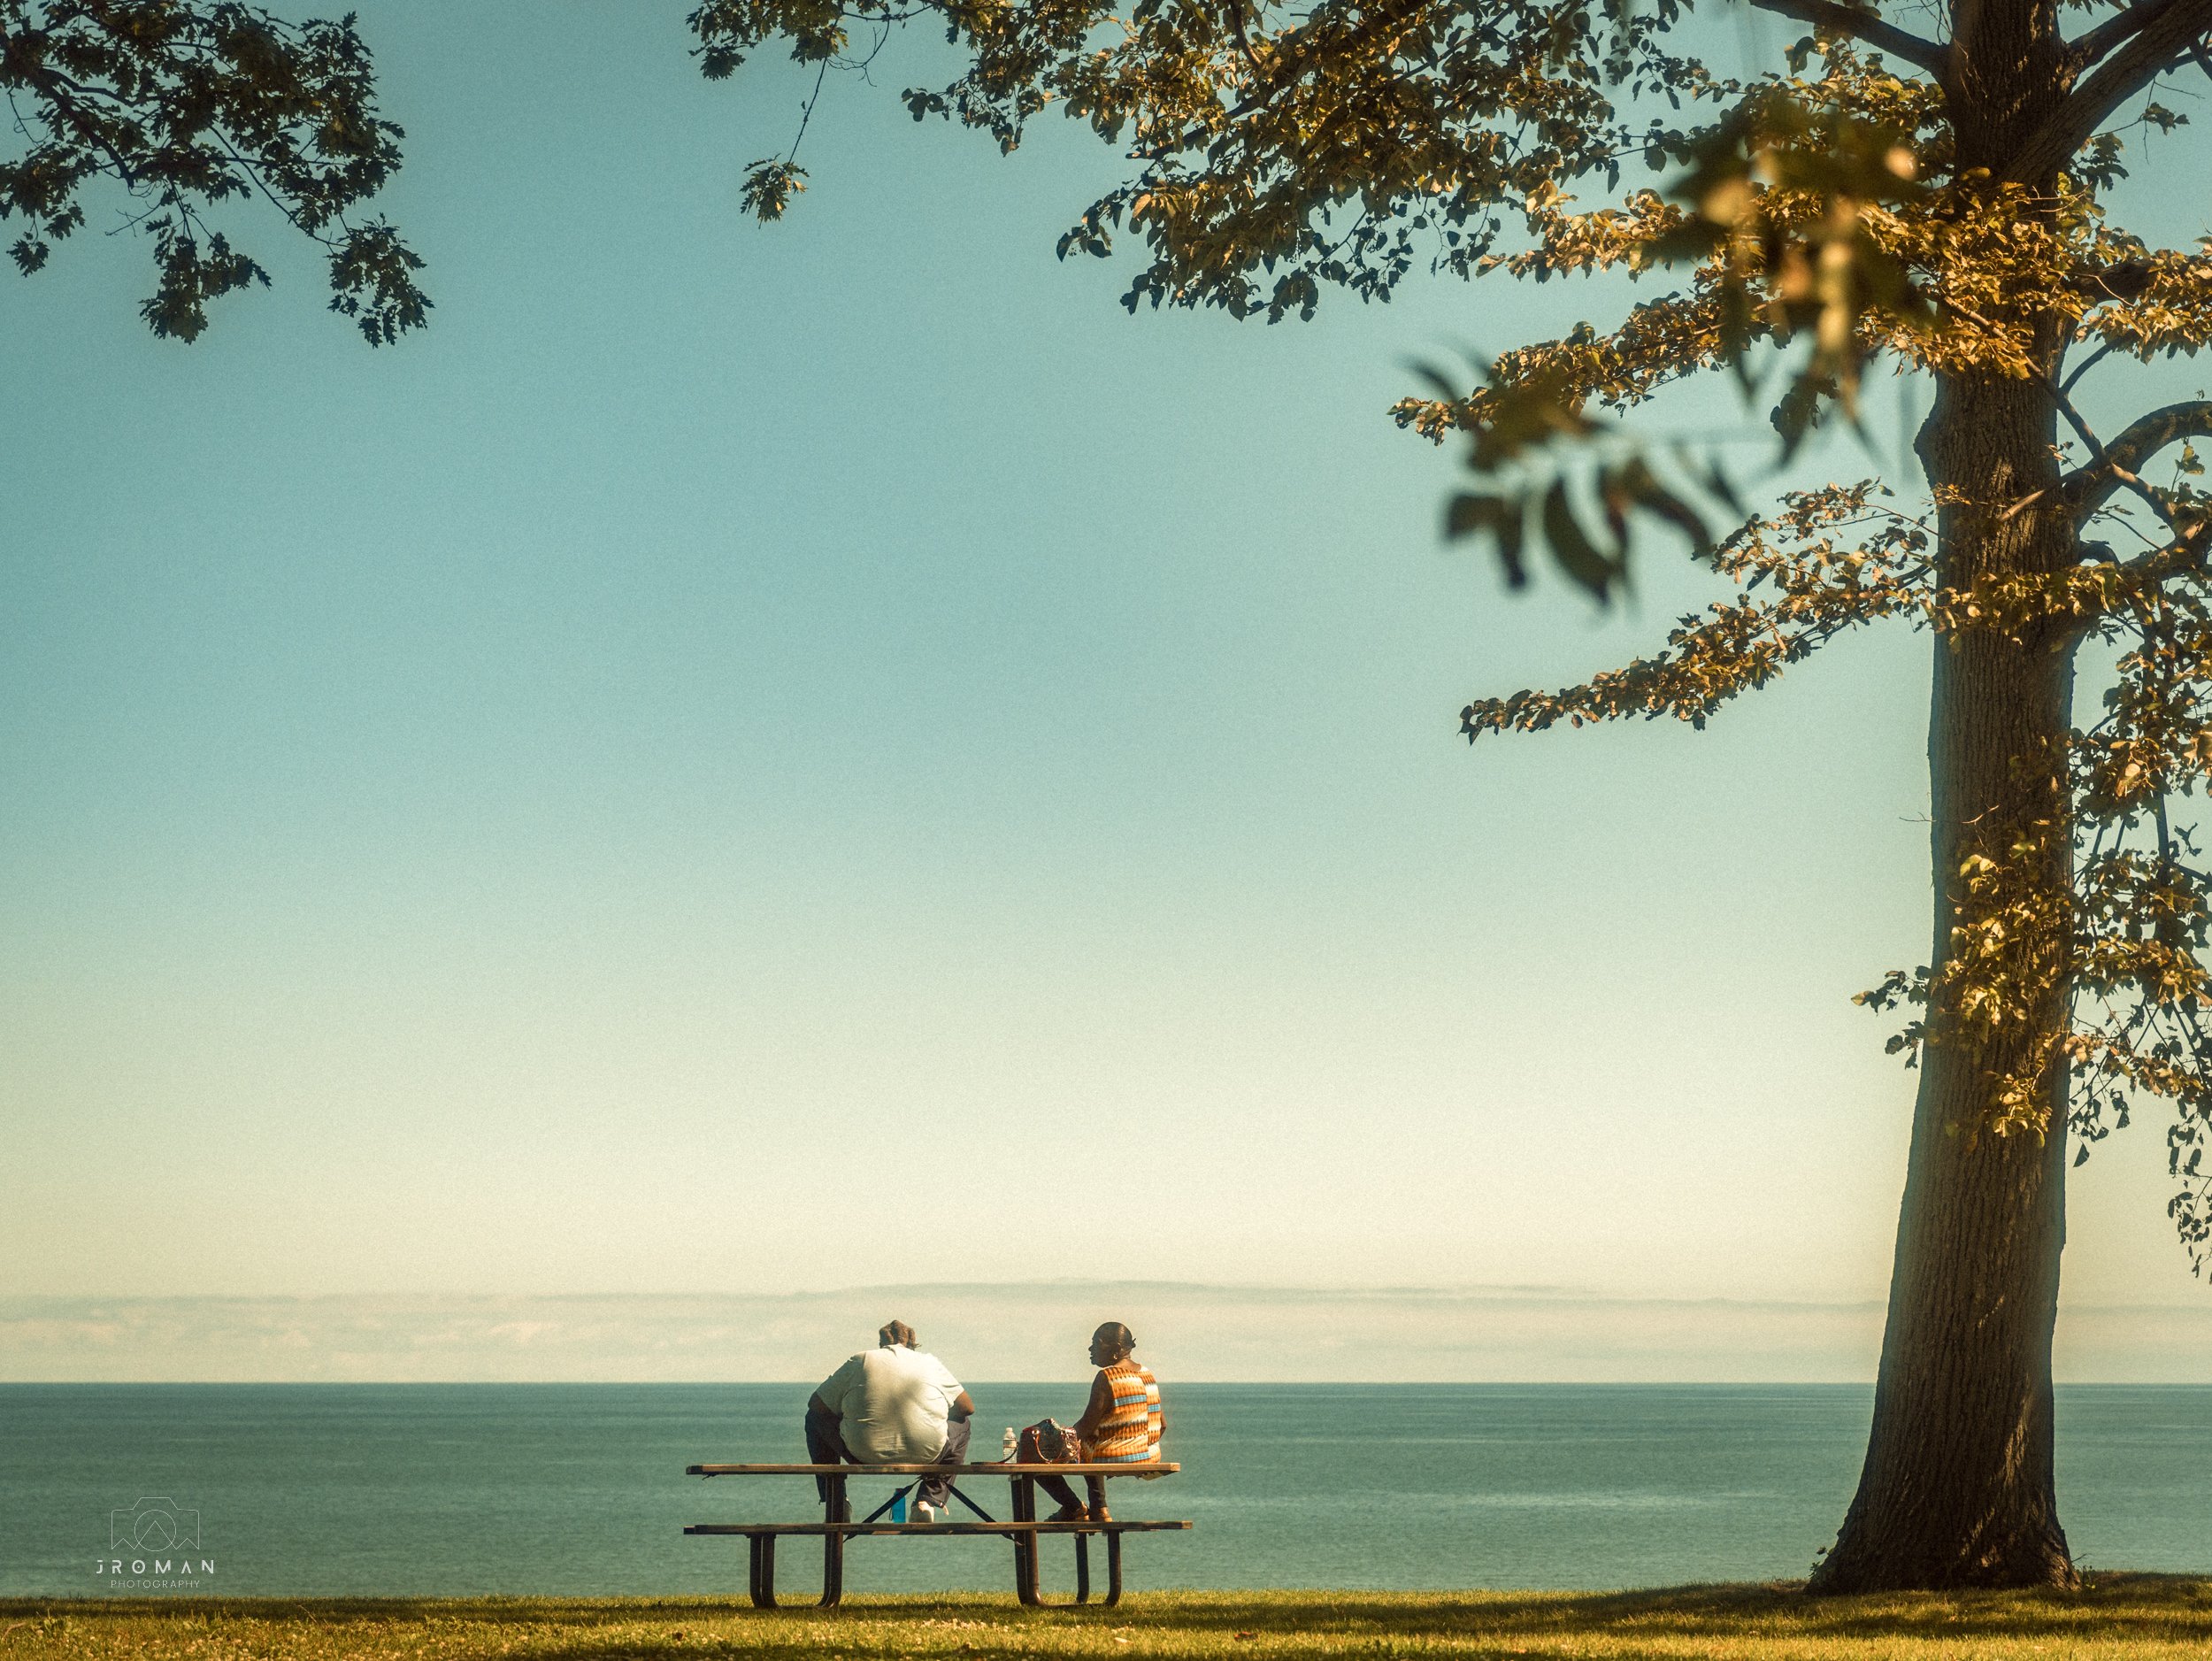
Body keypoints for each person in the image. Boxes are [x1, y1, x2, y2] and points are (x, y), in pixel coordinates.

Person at [806, 1320, 974, 1524]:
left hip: (863, 1452)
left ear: (881, 1343)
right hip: (926, 1452)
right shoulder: (930, 1362)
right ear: (913, 1344)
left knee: (814, 1419)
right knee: (962, 1424)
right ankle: (927, 1501)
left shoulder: (861, 1360)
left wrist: (849, 1412)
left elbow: (816, 1405)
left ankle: (837, 1502)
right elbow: (966, 1408)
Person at [1031, 1321, 1163, 1524]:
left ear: (1116, 1350)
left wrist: (1051, 1443)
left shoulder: (1107, 1377)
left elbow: (1085, 1427)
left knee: (1036, 1456)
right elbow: (1162, 1425)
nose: (1090, 1349)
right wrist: (1138, 1447)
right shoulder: (1147, 1374)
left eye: (1097, 1343)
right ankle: (1098, 1508)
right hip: (1150, 1456)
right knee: (1091, 1443)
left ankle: (1074, 1507)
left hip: (1118, 1456)